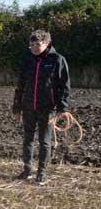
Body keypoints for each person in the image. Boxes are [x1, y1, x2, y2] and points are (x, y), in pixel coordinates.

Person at [12, 29, 71, 186]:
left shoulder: (57, 60)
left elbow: (64, 86)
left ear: (47, 43)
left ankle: (41, 172)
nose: (35, 47)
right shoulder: (28, 60)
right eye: (32, 44)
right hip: (28, 106)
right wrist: (17, 108)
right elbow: (20, 85)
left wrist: (62, 108)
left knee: (44, 141)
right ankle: (27, 169)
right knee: (27, 139)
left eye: (38, 44)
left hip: (47, 108)